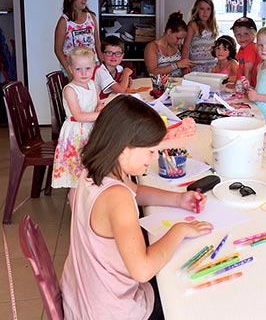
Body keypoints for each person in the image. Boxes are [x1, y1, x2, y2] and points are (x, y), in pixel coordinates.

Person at [61, 95, 213, 320]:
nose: (153, 157)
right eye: (150, 151)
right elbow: (142, 271)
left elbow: (136, 191)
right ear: (124, 149)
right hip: (111, 311)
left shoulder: (95, 171)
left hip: (84, 297)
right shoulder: (117, 198)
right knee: (188, 295)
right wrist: (179, 230)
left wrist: (178, 199)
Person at [52, 47, 103, 192]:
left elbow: (98, 102)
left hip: (90, 129)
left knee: (88, 168)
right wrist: (101, 115)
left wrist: (100, 107)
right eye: (78, 69)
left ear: (94, 67)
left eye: (88, 68)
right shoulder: (70, 90)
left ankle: (89, 193)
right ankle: (74, 197)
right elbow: (78, 115)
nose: (84, 73)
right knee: (77, 171)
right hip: (76, 133)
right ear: (70, 69)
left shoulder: (93, 84)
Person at [54, 0, 102, 77]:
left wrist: (103, 64)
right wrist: (69, 71)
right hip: (74, 68)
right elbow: (58, 50)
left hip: (92, 64)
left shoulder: (91, 17)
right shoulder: (64, 21)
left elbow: (97, 43)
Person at [144, 11, 195, 76]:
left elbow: (183, 67)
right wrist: (177, 65)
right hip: (160, 86)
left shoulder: (178, 46)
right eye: (178, 38)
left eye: (181, 39)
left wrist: (187, 66)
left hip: (179, 84)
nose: (179, 42)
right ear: (169, 31)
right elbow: (152, 73)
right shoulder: (152, 47)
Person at [182, 0, 218, 73]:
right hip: (196, 67)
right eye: (202, 9)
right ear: (197, 10)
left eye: (208, 9)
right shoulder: (192, 25)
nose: (205, 12)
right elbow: (186, 46)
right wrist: (184, 66)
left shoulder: (213, 26)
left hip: (212, 66)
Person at [93, 35, 133, 100]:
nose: (113, 57)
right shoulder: (100, 71)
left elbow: (123, 85)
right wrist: (126, 74)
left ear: (122, 55)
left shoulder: (119, 68)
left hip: (110, 101)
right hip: (97, 105)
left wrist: (126, 81)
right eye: (109, 53)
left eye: (117, 53)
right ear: (102, 54)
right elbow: (121, 91)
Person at [231, 16, 261, 87]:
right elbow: (240, 69)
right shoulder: (242, 49)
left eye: (246, 34)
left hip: (253, 86)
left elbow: (248, 71)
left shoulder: (250, 48)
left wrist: (247, 89)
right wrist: (236, 84)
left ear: (254, 34)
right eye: (238, 34)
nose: (242, 37)